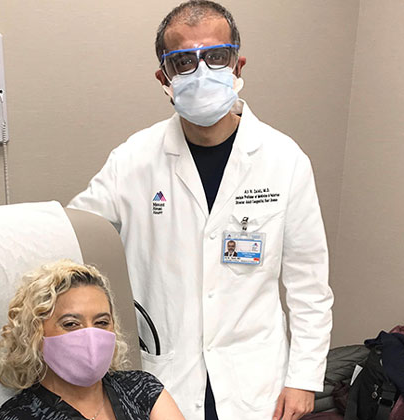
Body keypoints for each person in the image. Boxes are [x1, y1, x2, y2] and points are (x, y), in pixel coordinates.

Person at [68, 1, 334, 419]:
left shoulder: (284, 160)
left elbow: (309, 284)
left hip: (255, 381)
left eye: (216, 56)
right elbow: (69, 235)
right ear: (164, 78)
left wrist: (303, 377)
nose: (202, 71)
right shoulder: (133, 159)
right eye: (184, 61)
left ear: (238, 65)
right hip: (167, 378)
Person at [0, 260, 184, 420]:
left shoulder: (141, 389)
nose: (91, 336)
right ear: (34, 333)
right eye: (71, 324)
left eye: (102, 322)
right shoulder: (19, 415)